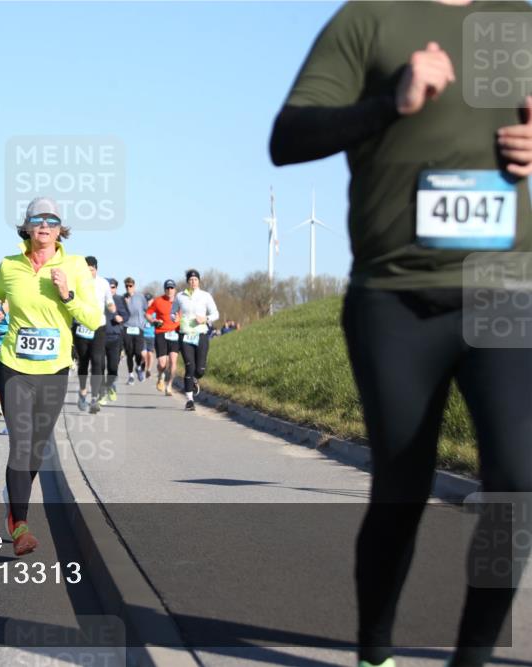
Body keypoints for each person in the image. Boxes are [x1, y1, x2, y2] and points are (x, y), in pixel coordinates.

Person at [271, 3, 532, 666]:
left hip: (505, 290)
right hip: (394, 297)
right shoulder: (370, 19)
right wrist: (393, 99)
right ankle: (374, 649)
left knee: (518, 481)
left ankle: (472, 656)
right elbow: (288, 138)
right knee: (401, 486)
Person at [0, 196, 102, 556]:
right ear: (27, 226)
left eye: (52, 221)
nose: (45, 226)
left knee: (36, 448)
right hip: (14, 366)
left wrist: (67, 294)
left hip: (54, 369)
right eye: (38, 220)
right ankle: (20, 526)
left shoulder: (76, 265)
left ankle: (14, 494)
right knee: (21, 444)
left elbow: (94, 319)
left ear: (60, 228)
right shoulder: (9, 265)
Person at [171, 269, 219, 411]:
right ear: (187, 281)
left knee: (200, 370)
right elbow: (173, 312)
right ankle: (190, 400)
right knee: (189, 367)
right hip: (185, 335)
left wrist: (206, 318)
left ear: (199, 281)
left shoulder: (205, 296)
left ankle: (195, 379)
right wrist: (174, 317)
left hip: (201, 334)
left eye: (195, 279)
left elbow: (216, 313)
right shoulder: (180, 296)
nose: (193, 282)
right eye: (191, 280)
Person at [74, 256, 115, 413]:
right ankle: (83, 391)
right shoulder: (77, 281)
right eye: (86, 269)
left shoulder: (103, 283)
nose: (89, 272)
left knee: (97, 360)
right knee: (83, 361)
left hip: (98, 325)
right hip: (81, 325)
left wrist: (111, 307)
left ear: (96, 269)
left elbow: (109, 300)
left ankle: (94, 397)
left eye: (91, 269)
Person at [145, 280, 180, 396]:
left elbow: (186, 315)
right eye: (167, 288)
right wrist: (154, 321)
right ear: (164, 289)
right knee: (162, 364)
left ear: (175, 289)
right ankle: (160, 375)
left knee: (173, 361)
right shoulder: (158, 301)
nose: (170, 290)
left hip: (175, 333)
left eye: (172, 288)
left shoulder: (180, 302)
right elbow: (148, 314)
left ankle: (169, 386)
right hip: (161, 333)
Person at [101, 277, 129, 404]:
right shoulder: (98, 299)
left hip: (115, 337)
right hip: (99, 337)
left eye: (113, 287)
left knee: (113, 367)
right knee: (99, 367)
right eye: (108, 287)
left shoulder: (119, 299)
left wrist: (120, 318)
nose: (110, 289)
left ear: (116, 288)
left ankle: (110, 385)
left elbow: (127, 315)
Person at [122, 277, 148, 384]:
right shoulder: (123, 298)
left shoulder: (140, 297)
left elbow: (147, 310)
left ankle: (139, 367)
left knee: (138, 352)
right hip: (127, 327)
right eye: (127, 286)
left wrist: (147, 320)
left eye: (130, 286)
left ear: (134, 286)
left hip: (138, 328)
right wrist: (125, 303)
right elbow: (121, 312)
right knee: (129, 353)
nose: (128, 288)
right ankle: (130, 375)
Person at [142, 292, 156, 379]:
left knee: (150, 354)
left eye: (149, 300)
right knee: (143, 354)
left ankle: (149, 370)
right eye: (146, 300)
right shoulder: (141, 311)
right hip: (142, 335)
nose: (147, 302)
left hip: (152, 335)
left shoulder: (155, 311)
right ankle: (143, 367)